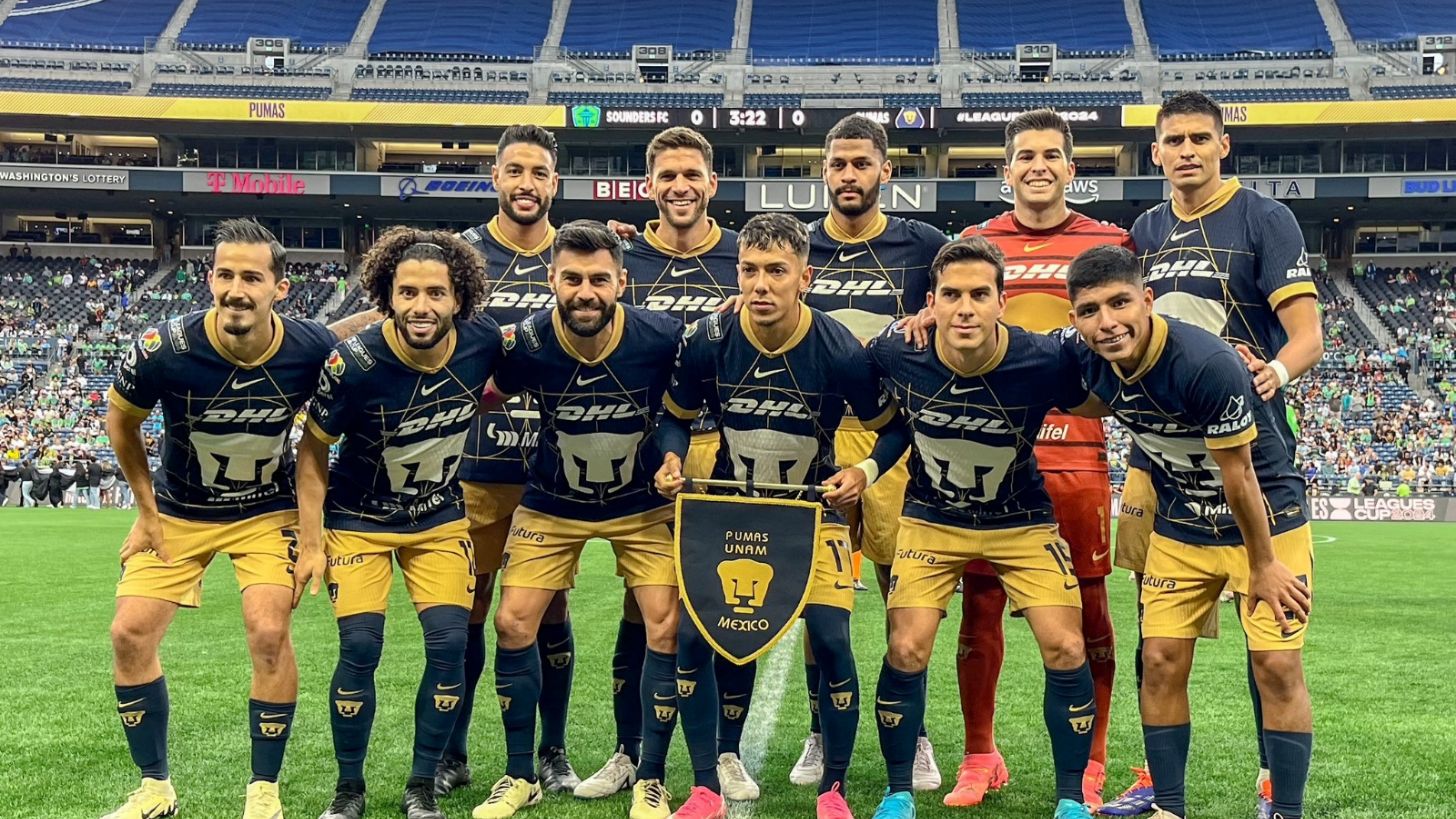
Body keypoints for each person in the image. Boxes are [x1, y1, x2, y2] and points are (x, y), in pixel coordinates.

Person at [101, 219, 371, 819]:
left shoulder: (307, 348)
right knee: (129, 633)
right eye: (225, 275)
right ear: (210, 279)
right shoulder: (166, 348)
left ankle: (263, 792)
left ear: (279, 288)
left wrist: (310, 537)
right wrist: (145, 511)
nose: (236, 290)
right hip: (178, 510)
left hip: (265, 511)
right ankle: (154, 789)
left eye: (252, 277)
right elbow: (121, 422)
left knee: (269, 631)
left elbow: (345, 336)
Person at [1100, 91, 1322, 819]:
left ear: (1224, 145)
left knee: (1273, 653)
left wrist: (1274, 371)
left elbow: (1308, 337)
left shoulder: (1265, 218)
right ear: (1156, 152)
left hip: (1249, 449)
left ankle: (1275, 787)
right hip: (1161, 464)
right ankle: (1158, 789)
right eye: (1174, 140)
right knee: (1160, 644)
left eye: (1200, 137)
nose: (1187, 150)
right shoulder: (1146, 229)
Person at [655, 212, 909, 819]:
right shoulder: (708, 337)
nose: (761, 285)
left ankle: (833, 790)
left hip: (811, 516)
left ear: (805, 277)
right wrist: (670, 456)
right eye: (749, 270)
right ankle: (706, 784)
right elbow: (674, 418)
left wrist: (863, 472)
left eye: (776, 271)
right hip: (732, 510)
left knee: (831, 639)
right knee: (695, 637)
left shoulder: (839, 348)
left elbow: (894, 430)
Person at [1068, 245, 1314, 819]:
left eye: (1120, 303)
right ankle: (1168, 806)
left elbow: (1241, 476)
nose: (1107, 323)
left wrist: (1263, 566)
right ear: (1073, 317)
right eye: (1090, 310)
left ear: (1147, 300)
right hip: (1181, 527)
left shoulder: (1205, 363)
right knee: (1159, 660)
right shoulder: (1081, 355)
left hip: (1267, 525)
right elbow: (1006, 349)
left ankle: (1286, 810)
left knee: (1277, 666)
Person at [866, 237, 1099, 819]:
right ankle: (898, 792)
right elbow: (832, 358)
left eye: (978, 295)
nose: (965, 308)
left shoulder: (1042, 358)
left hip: (1021, 519)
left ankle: (1072, 798)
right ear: (930, 303)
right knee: (906, 646)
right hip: (932, 519)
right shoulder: (897, 350)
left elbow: (1108, 370)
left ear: (1002, 302)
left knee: (1067, 646)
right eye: (951, 295)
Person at [472, 221, 684, 819]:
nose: (584, 292)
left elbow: (695, 391)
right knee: (512, 623)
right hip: (552, 501)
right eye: (572, 279)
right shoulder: (527, 342)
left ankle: (650, 775)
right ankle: (521, 775)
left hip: (640, 503)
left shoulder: (662, 336)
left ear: (622, 281)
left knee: (665, 626)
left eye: (598, 279)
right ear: (552, 280)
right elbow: (481, 388)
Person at [951, 109, 1132, 808]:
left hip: (1079, 455)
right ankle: (979, 754)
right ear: (1007, 170)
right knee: (980, 607)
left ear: (1070, 168)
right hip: (992, 454)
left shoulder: (1109, 242)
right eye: (1025, 155)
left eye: (1051, 155)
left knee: (1090, 611)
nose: (1038, 166)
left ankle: (1092, 757)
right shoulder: (975, 244)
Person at [577, 126, 761, 803]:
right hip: (646, 454)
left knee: (730, 607)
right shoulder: (624, 258)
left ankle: (728, 752)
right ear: (648, 184)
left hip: (727, 451)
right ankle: (628, 751)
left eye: (691, 174)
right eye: (666, 175)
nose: (679, 186)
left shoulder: (745, 256)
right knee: (643, 605)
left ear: (712, 183)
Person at [300, 228, 500, 819]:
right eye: (407, 292)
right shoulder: (353, 363)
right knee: (360, 647)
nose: (421, 306)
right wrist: (310, 540)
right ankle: (348, 791)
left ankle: (421, 785)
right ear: (387, 295)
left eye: (435, 293)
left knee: (450, 646)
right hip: (358, 521)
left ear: (459, 297)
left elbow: (531, 362)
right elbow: (312, 450)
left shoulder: (483, 341)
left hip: (438, 520)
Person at [797, 113, 947, 791]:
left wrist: (933, 314)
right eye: (838, 163)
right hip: (813, 439)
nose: (849, 175)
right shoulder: (800, 244)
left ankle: (913, 734)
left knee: (901, 591)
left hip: (892, 437)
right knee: (817, 597)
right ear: (823, 171)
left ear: (886, 170)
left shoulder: (924, 245)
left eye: (862, 163)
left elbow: (969, 291)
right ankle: (818, 730)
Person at [441, 124, 580, 799]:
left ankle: (551, 751)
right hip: (475, 469)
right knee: (469, 607)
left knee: (548, 608)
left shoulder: (576, 257)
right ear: (495, 176)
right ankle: (454, 750)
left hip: (552, 472)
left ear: (555, 182)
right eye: (515, 170)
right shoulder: (461, 257)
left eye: (539, 172)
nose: (527, 184)